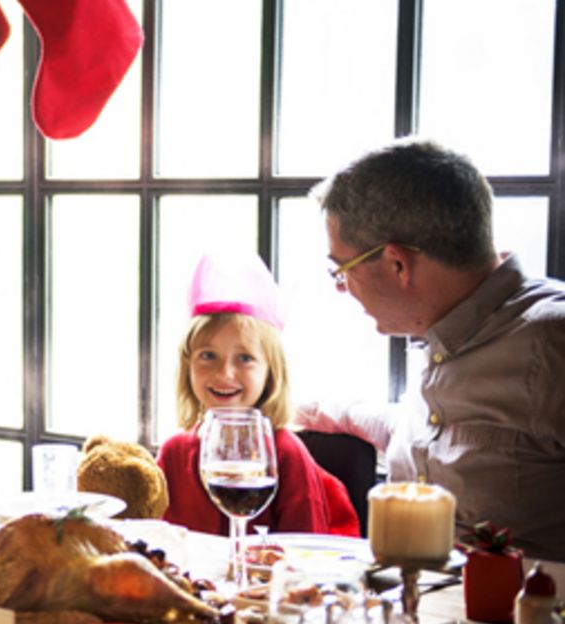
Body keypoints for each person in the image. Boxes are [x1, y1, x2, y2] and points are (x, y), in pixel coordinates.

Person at [301, 139, 565, 560]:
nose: (341, 287)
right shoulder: (447, 331)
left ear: (397, 264)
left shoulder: (552, 342)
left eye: (342, 270)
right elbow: (456, 438)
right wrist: (299, 408)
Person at [157, 253, 360, 537]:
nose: (224, 373)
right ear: (187, 366)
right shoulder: (173, 453)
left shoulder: (286, 453)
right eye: (208, 355)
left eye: (244, 358)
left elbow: (305, 555)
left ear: (271, 372)